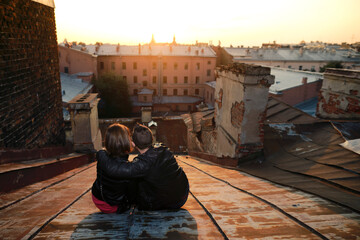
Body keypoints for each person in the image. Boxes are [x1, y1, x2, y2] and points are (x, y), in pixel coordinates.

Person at [98, 123, 189, 210]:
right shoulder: (164, 150)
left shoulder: (141, 165)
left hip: (170, 203)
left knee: (135, 181)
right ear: (152, 139)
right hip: (183, 195)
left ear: (133, 143)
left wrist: (101, 154)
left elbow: (113, 169)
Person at [91, 123, 137, 214]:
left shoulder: (102, 156)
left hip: (98, 199)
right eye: (129, 137)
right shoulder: (128, 168)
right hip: (113, 206)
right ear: (126, 141)